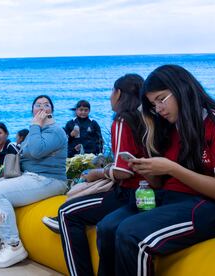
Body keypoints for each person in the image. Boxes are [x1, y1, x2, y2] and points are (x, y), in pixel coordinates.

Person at [103, 65, 215, 276]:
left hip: (214, 208)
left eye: (161, 99)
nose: (159, 109)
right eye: (153, 104)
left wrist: (172, 168)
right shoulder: (171, 130)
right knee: (107, 227)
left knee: (131, 233)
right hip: (170, 198)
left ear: (182, 89)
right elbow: (160, 184)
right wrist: (148, 169)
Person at [42, 74, 146, 275]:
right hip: (149, 191)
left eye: (111, 92)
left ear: (118, 93)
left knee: (66, 213)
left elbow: (123, 171)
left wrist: (98, 172)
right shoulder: (147, 118)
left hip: (129, 193)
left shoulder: (123, 120)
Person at [0, 95, 68, 268]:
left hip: (50, 180)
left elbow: (36, 151)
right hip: (32, 176)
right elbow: (24, 156)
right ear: (33, 111)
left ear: (52, 111)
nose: (42, 107)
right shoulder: (37, 131)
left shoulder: (55, 131)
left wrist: (35, 125)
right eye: (38, 105)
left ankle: (13, 245)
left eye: (46, 105)